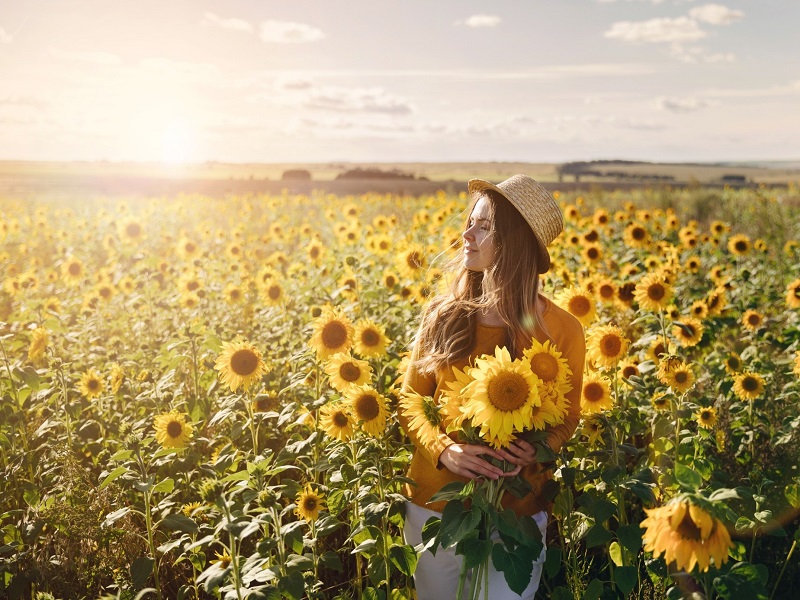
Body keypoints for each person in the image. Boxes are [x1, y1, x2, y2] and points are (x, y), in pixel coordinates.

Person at [399, 174, 586, 599]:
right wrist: (445, 449)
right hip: (437, 503)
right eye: (470, 221)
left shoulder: (563, 330)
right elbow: (411, 398)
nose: (466, 234)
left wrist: (542, 447)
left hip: (518, 510)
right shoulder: (444, 313)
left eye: (483, 226)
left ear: (514, 243)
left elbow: (568, 415)